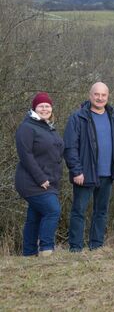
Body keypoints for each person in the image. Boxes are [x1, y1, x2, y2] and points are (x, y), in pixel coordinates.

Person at [64, 82, 114, 252]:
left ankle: (96, 245)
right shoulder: (78, 118)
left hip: (107, 174)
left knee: (101, 211)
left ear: (108, 96)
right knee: (79, 211)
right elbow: (70, 147)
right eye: (96, 94)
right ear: (90, 95)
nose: (100, 98)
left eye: (103, 95)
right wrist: (76, 170)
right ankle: (76, 248)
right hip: (84, 174)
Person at [15, 92, 64, 256]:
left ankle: (28, 253)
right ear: (34, 108)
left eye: (47, 106)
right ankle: (46, 249)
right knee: (52, 210)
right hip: (32, 182)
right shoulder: (27, 127)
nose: (45, 109)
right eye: (41, 106)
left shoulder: (48, 127)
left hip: (49, 181)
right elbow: (26, 155)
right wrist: (41, 178)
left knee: (35, 217)